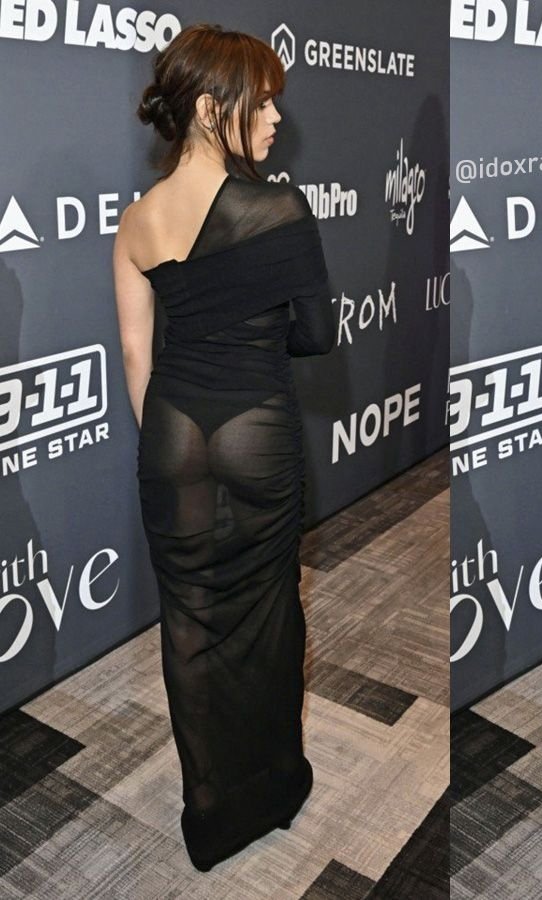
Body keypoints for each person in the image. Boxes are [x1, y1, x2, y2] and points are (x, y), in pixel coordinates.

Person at [112, 24, 335, 872]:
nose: (276, 117)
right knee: (268, 609)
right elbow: (316, 335)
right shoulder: (279, 209)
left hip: (171, 429)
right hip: (256, 427)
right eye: (263, 101)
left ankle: (206, 807)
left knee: (190, 618)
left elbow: (137, 356)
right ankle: (271, 786)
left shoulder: (137, 221)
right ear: (211, 109)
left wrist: (166, 440)